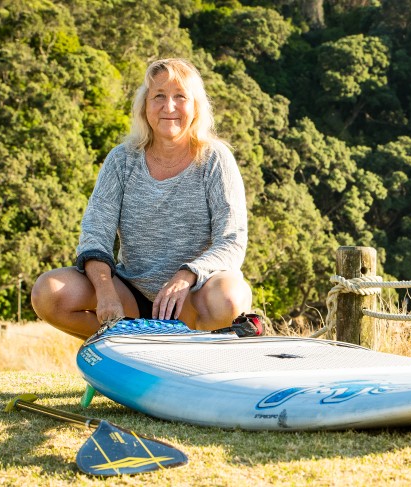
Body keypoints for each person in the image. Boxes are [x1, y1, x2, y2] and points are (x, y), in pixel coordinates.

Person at [31, 58, 252, 340]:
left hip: (192, 297)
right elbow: (94, 236)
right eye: (158, 96)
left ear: (195, 106)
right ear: (144, 106)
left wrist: (186, 275)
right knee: (48, 292)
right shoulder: (122, 160)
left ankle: (187, 358)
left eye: (180, 97)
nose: (168, 107)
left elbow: (231, 242)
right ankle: (127, 342)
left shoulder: (215, 160)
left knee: (231, 297)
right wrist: (105, 292)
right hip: (130, 298)